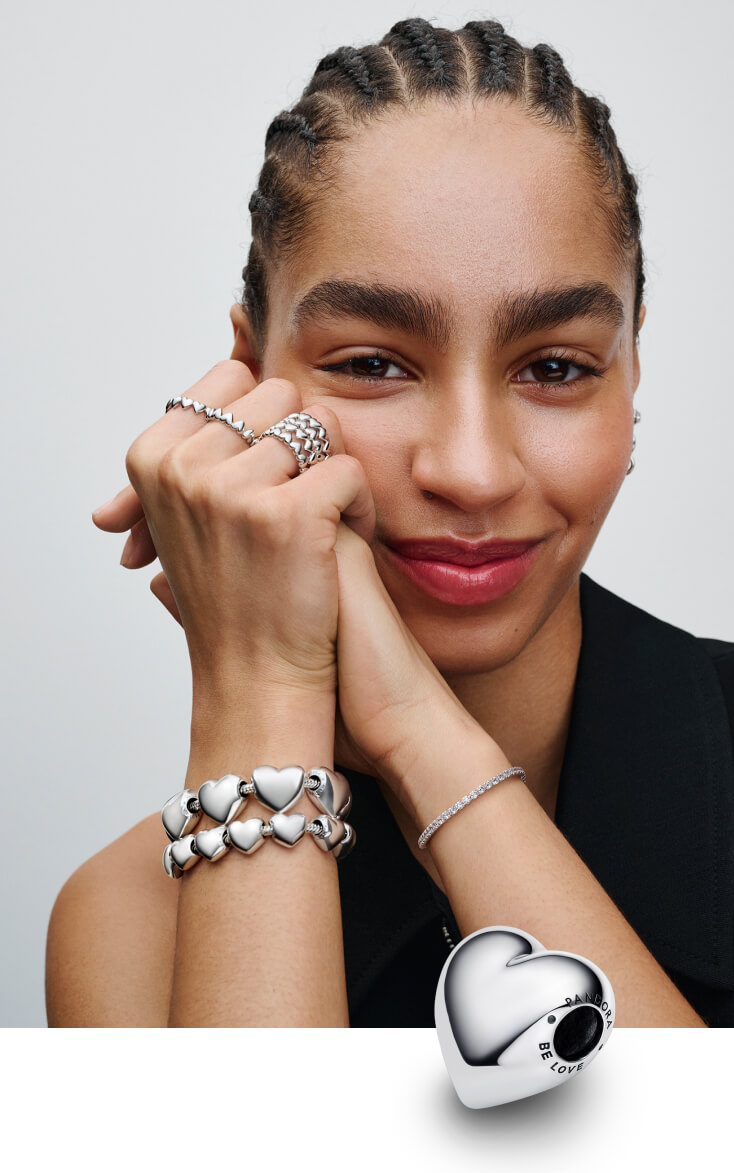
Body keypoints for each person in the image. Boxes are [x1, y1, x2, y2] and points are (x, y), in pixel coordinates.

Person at [44, 16, 734, 1028]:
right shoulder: (133, 922)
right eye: (374, 364)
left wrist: (427, 742)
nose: (470, 470)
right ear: (246, 383)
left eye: (554, 368)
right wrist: (262, 699)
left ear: (630, 377)